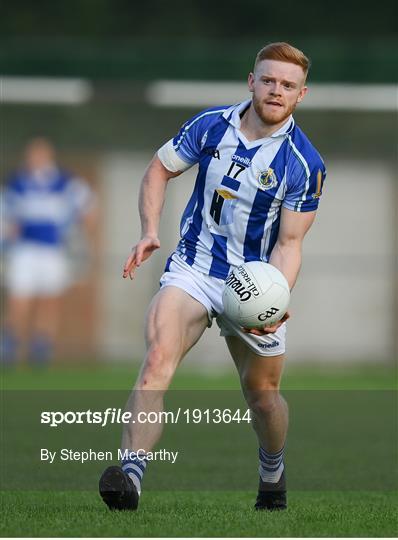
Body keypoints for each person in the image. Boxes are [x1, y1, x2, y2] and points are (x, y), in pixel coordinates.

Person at [99, 42, 326, 511]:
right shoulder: (211, 125)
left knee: (263, 400)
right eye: (268, 80)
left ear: (302, 94)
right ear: (251, 80)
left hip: (253, 286)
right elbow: (160, 169)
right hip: (194, 268)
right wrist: (148, 231)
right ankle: (131, 477)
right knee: (157, 358)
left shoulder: (304, 164)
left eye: (288, 85)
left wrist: (275, 303)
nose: (276, 90)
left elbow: (289, 245)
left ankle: (272, 468)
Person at [1, 138, 97, 366]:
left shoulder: (64, 182)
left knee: (49, 300)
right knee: (18, 299)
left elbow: (89, 208)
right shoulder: (17, 183)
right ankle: (9, 344)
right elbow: (6, 216)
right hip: (24, 250)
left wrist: (79, 236)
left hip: (54, 250)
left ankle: (41, 348)